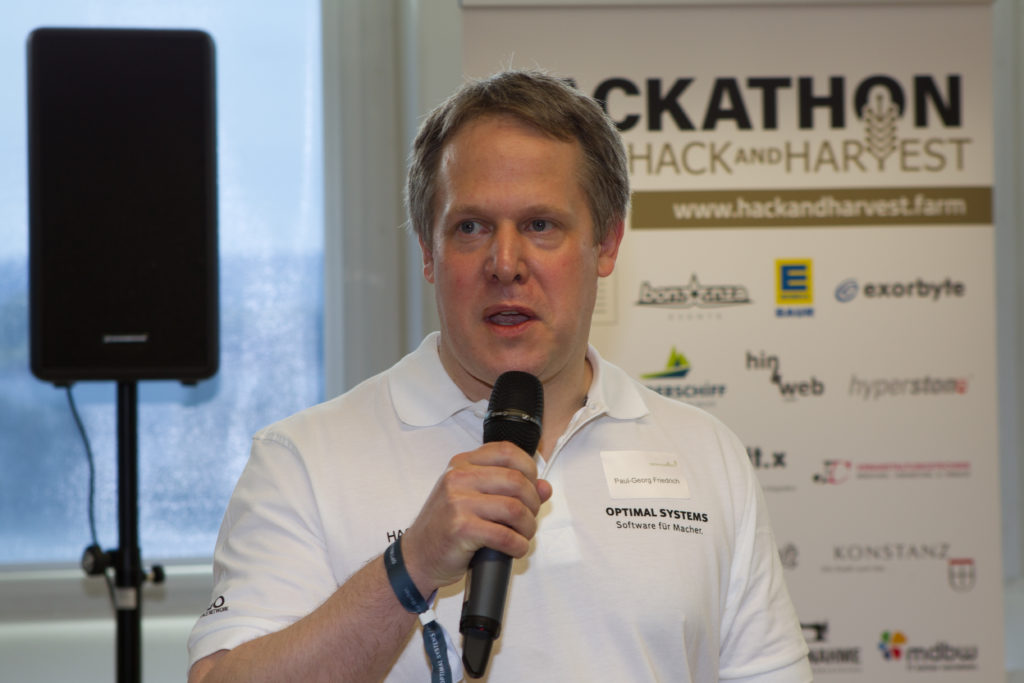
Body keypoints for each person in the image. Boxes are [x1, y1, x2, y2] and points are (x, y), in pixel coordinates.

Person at [187, 69, 811, 682]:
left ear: (606, 244)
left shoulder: (706, 453)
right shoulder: (302, 458)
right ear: (428, 251)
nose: (505, 263)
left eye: (540, 225)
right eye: (471, 227)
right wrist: (412, 565)